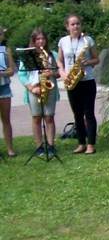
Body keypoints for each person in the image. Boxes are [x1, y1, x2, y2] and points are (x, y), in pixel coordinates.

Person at [57, 14, 99, 155]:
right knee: (77, 114)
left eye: (78, 24)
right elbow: (59, 61)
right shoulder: (63, 41)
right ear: (67, 26)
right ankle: (81, 143)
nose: (76, 26)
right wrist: (62, 73)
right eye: (73, 24)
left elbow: (96, 59)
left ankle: (91, 144)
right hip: (71, 81)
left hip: (87, 80)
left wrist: (87, 62)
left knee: (89, 113)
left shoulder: (88, 40)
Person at [18, 28, 61, 157]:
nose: (41, 41)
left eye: (43, 38)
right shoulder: (27, 56)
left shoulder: (52, 54)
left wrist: (52, 72)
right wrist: (31, 88)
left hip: (49, 88)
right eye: (38, 39)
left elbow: (59, 72)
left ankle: (51, 145)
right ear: (33, 41)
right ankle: (39, 146)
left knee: (49, 117)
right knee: (36, 118)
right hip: (34, 88)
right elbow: (22, 74)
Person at [0, 27, 17, 157]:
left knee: (6, 119)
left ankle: (10, 148)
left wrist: (2, 73)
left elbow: (12, 71)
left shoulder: (6, 50)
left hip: (4, 87)